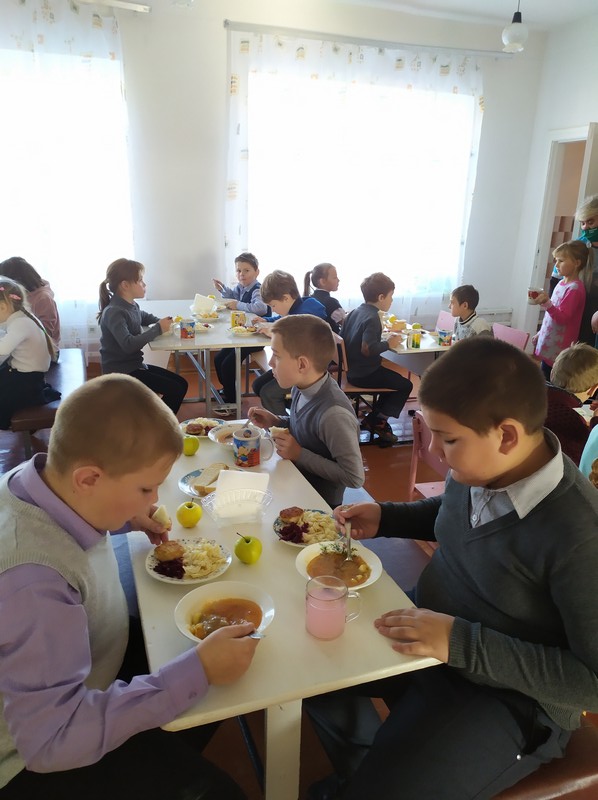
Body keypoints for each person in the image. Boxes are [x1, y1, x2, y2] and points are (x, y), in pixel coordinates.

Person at [305, 336, 598, 800]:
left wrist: (459, 641)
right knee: (307, 672)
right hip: (430, 629)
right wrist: (387, 517)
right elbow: (455, 513)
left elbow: (591, 682)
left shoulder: (580, 534)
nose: (436, 452)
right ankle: (362, 767)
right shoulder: (483, 467)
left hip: (507, 696)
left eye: (449, 439)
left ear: (506, 435)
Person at [0, 374, 259, 799]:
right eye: (144, 488)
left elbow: (59, 523)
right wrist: (197, 671)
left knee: (195, 658)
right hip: (35, 758)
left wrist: (124, 517)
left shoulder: (44, 482)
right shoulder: (33, 582)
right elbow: (51, 741)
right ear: (89, 479)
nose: (153, 500)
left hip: (90, 666)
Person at [248, 315, 364, 507]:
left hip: (318, 504)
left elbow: (354, 477)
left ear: (302, 364)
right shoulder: (302, 386)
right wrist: (276, 421)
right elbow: (307, 429)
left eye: (277, 355)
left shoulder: (334, 414)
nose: (270, 363)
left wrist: (299, 454)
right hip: (295, 481)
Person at [98, 258, 188, 415]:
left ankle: (155, 419)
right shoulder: (114, 312)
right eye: (140, 280)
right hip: (121, 372)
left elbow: (145, 317)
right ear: (125, 285)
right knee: (175, 389)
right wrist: (158, 329)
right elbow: (128, 345)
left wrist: (167, 322)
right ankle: (158, 423)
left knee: (182, 384)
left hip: (134, 365)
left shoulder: (131, 305)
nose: (144, 284)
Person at [341, 272, 412, 445]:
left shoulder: (355, 312)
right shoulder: (372, 317)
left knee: (394, 380)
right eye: (390, 296)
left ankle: (374, 418)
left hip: (351, 371)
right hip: (365, 374)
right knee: (405, 385)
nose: (391, 300)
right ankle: (378, 420)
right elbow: (368, 349)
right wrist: (388, 343)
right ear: (381, 297)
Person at [251, 270, 327, 416]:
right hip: (294, 362)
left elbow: (298, 333)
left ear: (286, 298)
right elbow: (285, 319)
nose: (273, 309)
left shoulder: (309, 310)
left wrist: (274, 332)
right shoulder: (296, 307)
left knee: (269, 394)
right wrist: (267, 320)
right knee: (258, 385)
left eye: (273, 305)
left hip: (310, 369)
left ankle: (286, 425)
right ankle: (296, 412)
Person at [212, 252, 269, 413]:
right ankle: (228, 389)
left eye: (246, 270)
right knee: (219, 358)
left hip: (257, 337)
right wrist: (223, 289)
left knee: (228, 364)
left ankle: (232, 401)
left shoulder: (258, 289)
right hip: (243, 336)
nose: (241, 274)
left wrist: (238, 305)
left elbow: (260, 308)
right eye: (238, 271)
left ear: (257, 272)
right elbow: (233, 297)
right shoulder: (241, 287)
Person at [0, 277, 59, 430]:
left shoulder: (19, 324)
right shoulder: (23, 317)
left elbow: (3, 349)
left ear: (3, 307)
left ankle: (12, 422)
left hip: (25, 380)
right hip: (29, 375)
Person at [530, 240, 593, 381]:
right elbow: (550, 316)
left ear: (577, 263)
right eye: (556, 260)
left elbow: (563, 318)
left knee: (553, 380)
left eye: (561, 261)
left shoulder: (575, 289)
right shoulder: (561, 283)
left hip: (559, 348)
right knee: (544, 376)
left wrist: (546, 303)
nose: (556, 264)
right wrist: (540, 333)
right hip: (550, 342)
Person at [544, 342, 598, 465]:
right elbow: (587, 459)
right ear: (594, 389)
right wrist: (595, 424)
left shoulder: (534, 393)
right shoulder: (572, 421)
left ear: (552, 373)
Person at [0, 257, 61, 350]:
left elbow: (45, 334)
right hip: (26, 344)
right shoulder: (21, 296)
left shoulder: (43, 299)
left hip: (45, 351)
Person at [573, 194, 598, 345]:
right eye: (583, 223)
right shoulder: (578, 246)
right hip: (580, 307)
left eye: (590, 222)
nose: (586, 227)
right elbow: (558, 280)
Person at [303, 263, 347, 334]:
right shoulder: (331, 302)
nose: (338, 280)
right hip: (331, 339)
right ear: (322, 281)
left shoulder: (310, 299)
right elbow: (347, 324)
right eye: (335, 277)